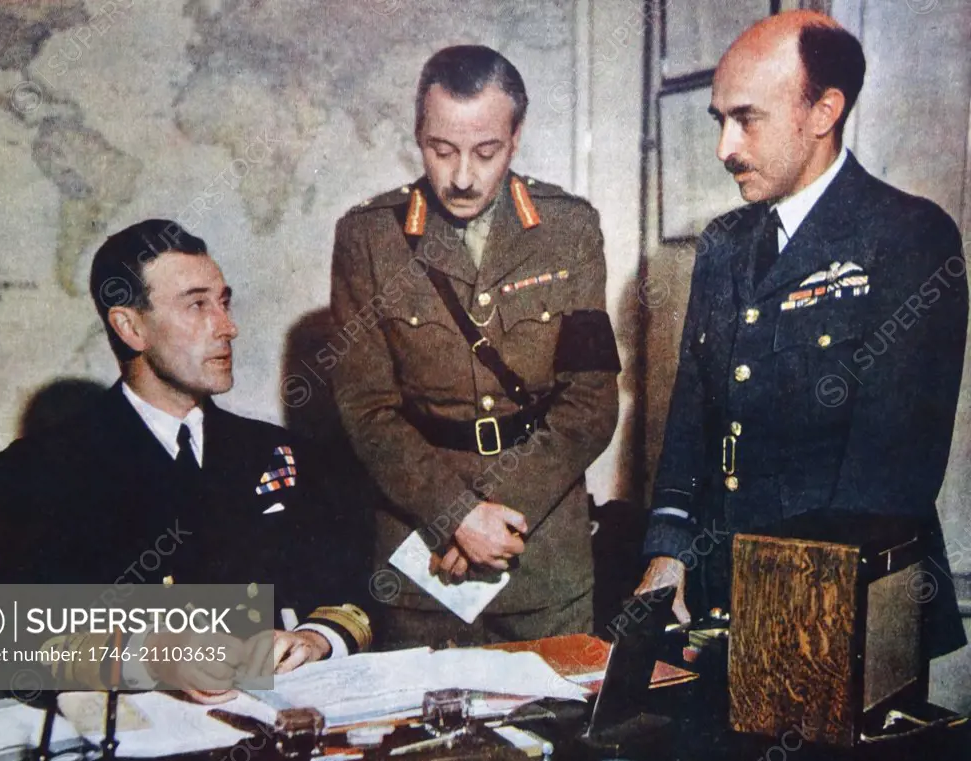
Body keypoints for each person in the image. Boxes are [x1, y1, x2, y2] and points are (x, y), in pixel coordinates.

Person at [635, 11, 967, 657]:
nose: (724, 147)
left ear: (823, 112)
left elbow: (892, 476)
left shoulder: (907, 238)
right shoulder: (723, 245)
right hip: (718, 597)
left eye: (746, 119)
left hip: (845, 611)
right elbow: (691, 417)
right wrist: (669, 548)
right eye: (719, 120)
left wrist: (796, 620)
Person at [0, 219, 372, 701]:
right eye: (196, 305)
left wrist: (316, 639)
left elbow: (348, 588)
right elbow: (6, 640)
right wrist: (148, 658)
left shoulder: (272, 452)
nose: (228, 327)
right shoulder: (45, 469)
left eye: (223, 302)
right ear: (130, 327)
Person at [329, 45, 620, 648]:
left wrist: (494, 515)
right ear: (418, 135)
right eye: (442, 150)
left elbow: (590, 404)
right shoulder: (368, 237)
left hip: (541, 557)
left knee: (552, 734)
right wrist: (455, 517)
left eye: (485, 152)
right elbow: (366, 411)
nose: (462, 176)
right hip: (421, 567)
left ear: (516, 137)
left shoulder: (570, 229)